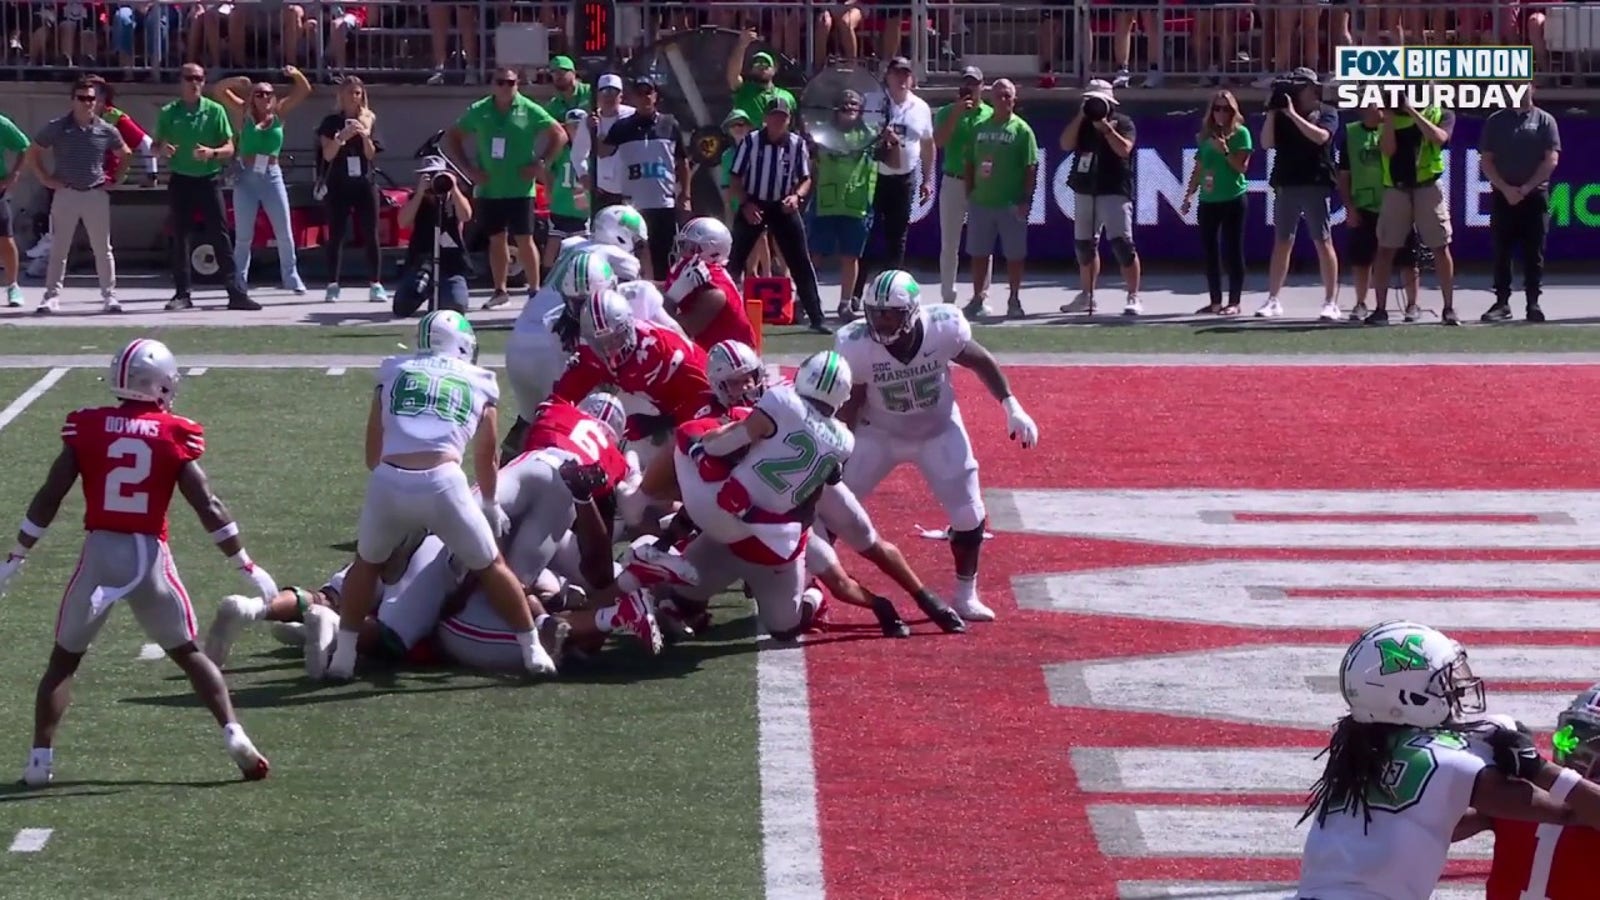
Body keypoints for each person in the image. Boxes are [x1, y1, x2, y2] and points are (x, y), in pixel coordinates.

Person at [0, 338, 278, 786]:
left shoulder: (87, 426)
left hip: (99, 554)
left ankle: (38, 760)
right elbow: (207, 505)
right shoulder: (173, 433)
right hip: (148, 557)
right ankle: (233, 733)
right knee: (189, 654)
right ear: (159, 385)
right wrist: (244, 562)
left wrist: (17, 554)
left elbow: (51, 494)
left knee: (63, 661)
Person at [1295, 620, 1600, 899]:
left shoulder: (1359, 753)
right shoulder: (1456, 760)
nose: (1456, 690)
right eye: (1444, 682)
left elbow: (1430, 823)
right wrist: (1537, 768)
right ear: (1408, 697)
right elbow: (1567, 810)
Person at [331, 311, 553, 681]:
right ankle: (532, 651)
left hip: (388, 480)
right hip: (443, 484)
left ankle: (342, 657)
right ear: (464, 346)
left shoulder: (392, 372)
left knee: (365, 566)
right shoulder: (479, 380)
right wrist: (490, 502)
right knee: (490, 566)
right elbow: (487, 455)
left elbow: (373, 454)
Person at [835, 270, 1040, 623]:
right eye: (875, 311)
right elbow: (852, 399)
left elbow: (979, 360)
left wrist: (1011, 405)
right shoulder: (856, 344)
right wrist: (839, 446)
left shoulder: (943, 327)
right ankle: (806, 582)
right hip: (878, 434)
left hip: (938, 431)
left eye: (890, 313)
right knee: (831, 503)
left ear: (912, 311)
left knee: (969, 513)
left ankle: (965, 594)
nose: (880, 321)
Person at [450, 66, 566, 310]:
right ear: (493, 84)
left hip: (520, 188)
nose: (506, 87)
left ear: (517, 85)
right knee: (496, 239)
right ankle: (500, 290)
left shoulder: (529, 109)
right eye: (501, 82)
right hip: (489, 188)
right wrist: (468, 169)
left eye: (511, 83)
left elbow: (559, 134)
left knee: (525, 239)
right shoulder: (479, 110)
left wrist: (541, 163)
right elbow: (453, 136)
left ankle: (535, 291)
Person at [1472, 684, 1600, 899]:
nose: (1579, 754)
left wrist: (1538, 769)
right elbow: (1448, 825)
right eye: (1571, 738)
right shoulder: (1538, 777)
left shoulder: (1543, 774)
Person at [156, 64, 257, 312]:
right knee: (180, 237)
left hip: (208, 179)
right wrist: (162, 149)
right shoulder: (170, 112)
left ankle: (235, 293)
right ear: (181, 81)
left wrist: (212, 152)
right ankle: (182, 294)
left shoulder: (215, 111)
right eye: (190, 78)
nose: (195, 83)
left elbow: (230, 148)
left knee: (220, 236)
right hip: (180, 179)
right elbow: (155, 145)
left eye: (199, 79)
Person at [727, 97, 830, 335]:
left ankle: (816, 316)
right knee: (735, 260)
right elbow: (734, 178)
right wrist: (745, 204)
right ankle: (726, 313)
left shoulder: (796, 144)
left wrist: (797, 197)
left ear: (788, 120)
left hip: (783, 206)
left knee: (800, 261)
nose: (777, 121)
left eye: (782, 117)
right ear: (765, 118)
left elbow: (805, 179)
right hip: (755, 203)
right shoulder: (750, 142)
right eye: (773, 116)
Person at [26, 78, 129, 316]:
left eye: (91, 98)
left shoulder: (105, 129)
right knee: (59, 247)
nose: (87, 103)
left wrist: (116, 179)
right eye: (81, 98)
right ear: (72, 100)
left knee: (103, 248)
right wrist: (46, 180)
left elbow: (125, 153)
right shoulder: (58, 127)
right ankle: (51, 296)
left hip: (95, 193)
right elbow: (33, 152)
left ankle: (109, 296)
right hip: (66, 193)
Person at [211, 66, 312, 295]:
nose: (264, 97)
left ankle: (291, 276)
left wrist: (295, 74)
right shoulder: (243, 112)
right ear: (252, 98)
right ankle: (239, 280)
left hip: (271, 176)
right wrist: (237, 80)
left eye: (268, 93)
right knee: (244, 235)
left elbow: (304, 90)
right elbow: (218, 91)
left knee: (284, 231)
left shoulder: (279, 113)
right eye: (259, 94)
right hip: (246, 177)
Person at [849, 55, 935, 315]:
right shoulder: (874, 103)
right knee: (864, 233)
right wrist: (879, 136)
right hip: (875, 175)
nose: (902, 79)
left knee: (897, 237)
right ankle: (854, 293)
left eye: (906, 74)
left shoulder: (920, 107)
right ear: (887, 76)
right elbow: (856, 137)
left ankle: (891, 294)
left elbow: (928, 144)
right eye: (897, 73)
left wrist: (928, 178)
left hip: (904, 177)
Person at [1366, 96, 1457, 327]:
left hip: (1428, 187)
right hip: (1396, 189)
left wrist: (1412, 111)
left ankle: (1448, 307)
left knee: (1440, 246)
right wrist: (1387, 118)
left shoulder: (1440, 113)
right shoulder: (1387, 117)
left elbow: (1438, 138)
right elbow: (1387, 150)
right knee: (1385, 248)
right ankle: (1380, 309)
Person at [1259, 67, 1338, 320]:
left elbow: (1321, 137)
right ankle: (1273, 299)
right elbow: (1266, 143)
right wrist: (1273, 113)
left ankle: (1330, 301)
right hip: (1287, 181)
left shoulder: (1327, 112)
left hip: (1315, 181)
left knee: (1322, 240)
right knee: (1283, 241)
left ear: (1312, 87)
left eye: (1301, 86)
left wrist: (1293, 115)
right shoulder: (1281, 115)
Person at [1479, 85, 1560, 324]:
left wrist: (1526, 189)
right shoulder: (1496, 121)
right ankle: (1502, 302)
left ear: (1531, 88)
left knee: (1534, 251)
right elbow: (1486, 160)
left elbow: (1551, 159)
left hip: (1535, 197)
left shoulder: (1545, 120)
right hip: (1503, 197)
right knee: (1502, 251)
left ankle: (1533, 303)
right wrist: (1505, 189)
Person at [1058, 78, 1138, 317]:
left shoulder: (1123, 122)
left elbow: (1125, 149)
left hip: (1113, 189)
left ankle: (1133, 295)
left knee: (1122, 246)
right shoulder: (1082, 124)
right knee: (1084, 246)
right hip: (1085, 189)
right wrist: (1082, 116)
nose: (1094, 105)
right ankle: (1087, 295)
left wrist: (1107, 128)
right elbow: (1065, 143)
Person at [1337, 101, 1421, 322]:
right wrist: (1350, 207)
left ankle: (1412, 305)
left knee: (1407, 259)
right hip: (1365, 204)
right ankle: (1361, 303)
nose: (1381, 110)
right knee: (1361, 259)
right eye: (1375, 105)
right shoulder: (1352, 133)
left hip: (1396, 201)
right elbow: (1344, 175)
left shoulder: (1398, 126)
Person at [598, 76, 689, 279]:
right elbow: (602, 152)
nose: (644, 97)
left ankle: (664, 300)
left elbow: (682, 162)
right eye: (639, 94)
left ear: (655, 96)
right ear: (633, 98)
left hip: (663, 202)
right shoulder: (622, 127)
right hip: (634, 206)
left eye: (648, 92)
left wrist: (686, 195)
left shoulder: (669, 123)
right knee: (635, 257)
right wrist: (593, 126)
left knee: (664, 255)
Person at [965, 78, 1038, 321]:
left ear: (1014, 99)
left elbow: (1030, 167)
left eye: (1008, 95)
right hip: (981, 201)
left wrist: (1025, 199)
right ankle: (978, 297)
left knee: (1014, 255)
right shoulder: (979, 128)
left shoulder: (1022, 130)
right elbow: (969, 162)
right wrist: (969, 192)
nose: (1003, 100)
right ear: (991, 98)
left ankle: (1014, 297)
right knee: (978, 253)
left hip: (1010, 203)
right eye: (999, 95)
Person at [806, 89, 877, 323]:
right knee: (814, 254)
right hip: (825, 202)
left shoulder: (870, 134)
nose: (849, 108)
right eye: (845, 103)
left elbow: (890, 161)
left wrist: (891, 143)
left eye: (854, 104)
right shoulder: (822, 133)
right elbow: (810, 163)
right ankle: (806, 300)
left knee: (850, 256)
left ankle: (845, 304)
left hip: (855, 203)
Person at [1180, 89, 1251, 316]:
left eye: (1226, 109)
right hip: (1209, 200)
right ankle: (1215, 301)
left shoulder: (1241, 134)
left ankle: (1234, 302)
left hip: (1233, 197)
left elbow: (1241, 167)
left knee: (1233, 250)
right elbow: (1199, 168)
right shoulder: (1205, 136)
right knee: (1210, 252)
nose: (1221, 113)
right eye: (1217, 108)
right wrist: (1189, 195)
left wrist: (1225, 150)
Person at [317, 76, 385, 305]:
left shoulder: (368, 120)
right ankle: (332, 284)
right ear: (341, 95)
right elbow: (327, 154)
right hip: (338, 184)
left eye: (357, 93)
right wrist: (341, 138)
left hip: (364, 183)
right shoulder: (331, 122)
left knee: (370, 233)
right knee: (336, 234)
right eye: (350, 93)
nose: (354, 97)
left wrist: (365, 136)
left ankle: (375, 284)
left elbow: (371, 154)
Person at [932, 67, 990, 307]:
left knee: (983, 241)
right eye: (966, 84)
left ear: (982, 86)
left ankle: (981, 294)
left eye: (974, 84)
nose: (971, 89)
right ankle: (948, 295)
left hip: (981, 182)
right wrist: (956, 113)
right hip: (953, 179)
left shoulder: (989, 114)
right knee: (950, 242)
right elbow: (939, 142)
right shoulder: (947, 112)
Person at [394, 156, 474, 317]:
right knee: (402, 306)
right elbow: (402, 222)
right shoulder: (416, 199)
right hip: (421, 263)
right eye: (429, 175)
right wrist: (419, 193)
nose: (433, 180)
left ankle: (441, 295)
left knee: (455, 307)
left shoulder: (453, 199)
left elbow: (466, 216)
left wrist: (453, 187)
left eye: (437, 174)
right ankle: (426, 292)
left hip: (451, 264)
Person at [665, 217, 758, 350]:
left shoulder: (715, 294)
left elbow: (676, 330)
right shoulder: (699, 275)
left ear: (711, 252)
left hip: (733, 365)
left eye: (688, 247)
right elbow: (662, 289)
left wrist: (670, 299)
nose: (683, 252)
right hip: (713, 356)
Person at [725, 40, 798, 131]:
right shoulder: (744, 91)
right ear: (751, 70)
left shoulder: (787, 96)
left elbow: (794, 125)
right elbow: (733, 74)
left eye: (766, 64)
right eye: (757, 64)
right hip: (748, 143)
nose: (761, 67)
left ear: (775, 70)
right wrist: (742, 45)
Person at [546, 108, 591, 252]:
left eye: (580, 127)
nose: (577, 131)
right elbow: (547, 170)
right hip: (560, 205)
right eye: (573, 126)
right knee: (554, 243)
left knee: (582, 246)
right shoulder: (560, 151)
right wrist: (550, 189)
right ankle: (548, 273)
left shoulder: (591, 152)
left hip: (582, 210)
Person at [0, 109, 24, 308]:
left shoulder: (2, 123)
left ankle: (13, 286)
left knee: (5, 240)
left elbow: (24, 146)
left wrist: (13, 175)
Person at [542, 55, 592, 120]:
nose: (557, 76)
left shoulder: (590, 91)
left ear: (573, 73)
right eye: (553, 72)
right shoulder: (553, 106)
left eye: (562, 72)